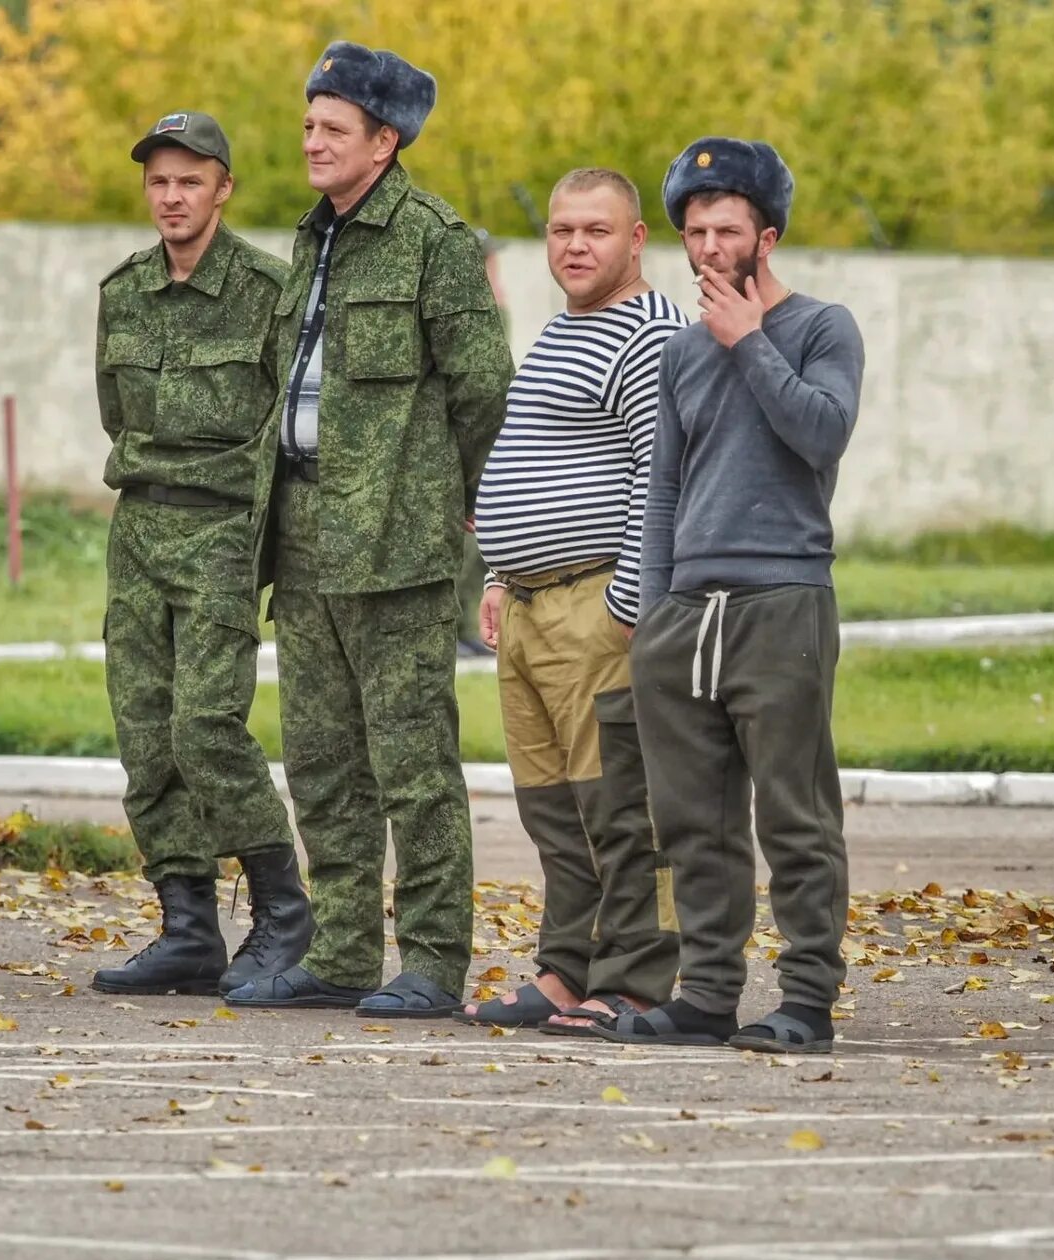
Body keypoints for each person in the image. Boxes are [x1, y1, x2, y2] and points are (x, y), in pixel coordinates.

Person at [225, 43, 513, 1015]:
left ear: (383, 142)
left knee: (412, 763)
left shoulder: (434, 239)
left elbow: (482, 389)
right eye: (307, 123)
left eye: (331, 128)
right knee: (319, 757)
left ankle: (432, 958)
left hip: (399, 543)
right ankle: (343, 949)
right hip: (301, 535)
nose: (310, 141)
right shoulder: (311, 239)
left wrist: (475, 526)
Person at [600, 137, 865, 1051]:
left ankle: (806, 1001)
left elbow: (822, 435)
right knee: (693, 824)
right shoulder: (677, 352)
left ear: (768, 236)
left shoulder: (822, 329)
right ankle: (707, 994)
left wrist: (748, 342)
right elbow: (663, 486)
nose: (709, 248)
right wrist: (656, 611)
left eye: (727, 231)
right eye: (695, 232)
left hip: (782, 604)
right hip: (687, 616)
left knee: (794, 814)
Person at [459, 168, 686, 1034]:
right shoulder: (564, 330)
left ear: (636, 242)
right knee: (553, 805)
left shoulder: (650, 336)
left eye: (596, 230)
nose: (576, 246)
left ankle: (631, 978)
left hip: (596, 609)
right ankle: (567, 968)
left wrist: (628, 601)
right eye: (561, 231)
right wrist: (495, 577)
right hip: (527, 608)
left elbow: (656, 478)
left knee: (617, 804)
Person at [92, 112, 312, 998]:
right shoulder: (124, 290)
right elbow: (116, 412)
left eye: (190, 180)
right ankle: (186, 927)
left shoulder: (268, 289)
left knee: (205, 727)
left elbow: (283, 425)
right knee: (145, 736)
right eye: (159, 182)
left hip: (222, 531)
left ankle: (284, 916)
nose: (172, 196)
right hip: (139, 528)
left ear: (223, 187)